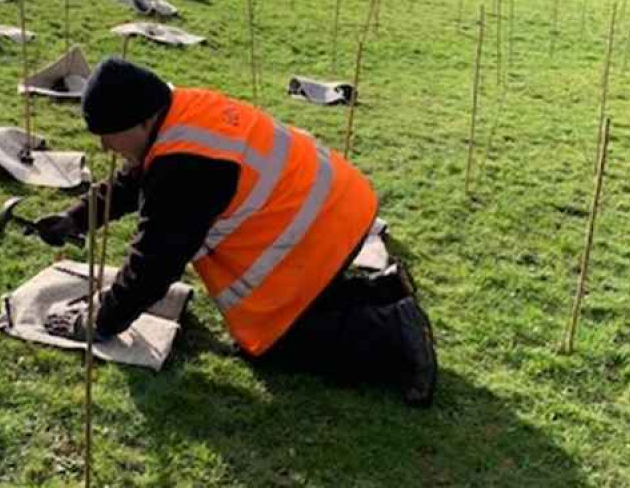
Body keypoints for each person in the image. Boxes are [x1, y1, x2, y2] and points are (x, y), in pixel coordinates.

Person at [37, 58, 438, 407]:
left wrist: (99, 321)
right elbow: (135, 179)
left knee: (276, 344)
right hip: (337, 208)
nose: (106, 146)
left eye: (109, 134)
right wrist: (77, 217)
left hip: (321, 231)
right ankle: (385, 293)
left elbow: (153, 266)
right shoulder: (177, 111)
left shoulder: (185, 165)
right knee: (293, 316)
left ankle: (394, 335)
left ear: (141, 120)